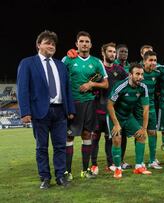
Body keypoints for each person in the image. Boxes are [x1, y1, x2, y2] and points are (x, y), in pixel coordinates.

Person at [17, 30, 75, 189]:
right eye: (47, 43)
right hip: (39, 111)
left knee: (60, 147)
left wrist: (70, 109)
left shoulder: (61, 65)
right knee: (41, 147)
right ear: (38, 45)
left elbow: (67, 89)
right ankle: (45, 178)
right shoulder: (28, 63)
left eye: (53, 44)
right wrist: (25, 112)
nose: (51, 46)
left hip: (60, 112)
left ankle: (60, 176)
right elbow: (23, 89)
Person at [62, 31, 109, 180]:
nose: (84, 44)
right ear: (76, 44)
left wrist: (91, 84)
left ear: (91, 44)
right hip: (72, 103)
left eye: (87, 41)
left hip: (89, 103)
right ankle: (67, 172)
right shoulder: (68, 59)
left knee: (87, 135)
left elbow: (106, 83)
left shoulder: (96, 62)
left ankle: (85, 170)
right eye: (81, 41)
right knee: (69, 137)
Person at [107, 63, 151, 178]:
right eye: (137, 74)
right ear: (130, 75)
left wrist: (144, 128)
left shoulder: (143, 87)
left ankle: (138, 167)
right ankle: (117, 168)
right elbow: (110, 105)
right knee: (117, 139)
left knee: (141, 136)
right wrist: (116, 124)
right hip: (115, 116)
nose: (140, 77)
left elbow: (146, 109)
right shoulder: (120, 86)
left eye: (142, 74)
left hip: (128, 116)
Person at [90, 42, 128, 174]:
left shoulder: (120, 70)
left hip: (112, 111)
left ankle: (110, 163)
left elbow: (128, 83)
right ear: (103, 53)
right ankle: (93, 164)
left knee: (109, 138)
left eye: (114, 52)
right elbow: (89, 84)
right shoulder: (97, 69)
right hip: (97, 109)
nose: (112, 54)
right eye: (110, 51)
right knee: (95, 137)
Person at [133, 50, 162, 169]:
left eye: (155, 60)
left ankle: (152, 160)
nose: (153, 63)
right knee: (140, 134)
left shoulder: (156, 74)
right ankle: (139, 161)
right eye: (150, 60)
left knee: (152, 133)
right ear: (144, 61)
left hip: (151, 108)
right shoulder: (139, 73)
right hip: (139, 109)